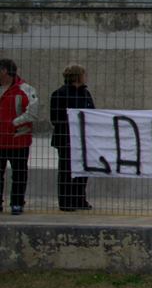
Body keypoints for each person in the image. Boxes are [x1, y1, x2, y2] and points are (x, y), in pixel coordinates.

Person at [50, 64, 96, 211]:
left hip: (83, 139)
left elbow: (92, 113)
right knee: (66, 170)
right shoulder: (59, 94)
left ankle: (79, 199)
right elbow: (55, 118)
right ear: (77, 76)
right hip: (66, 139)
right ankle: (65, 202)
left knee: (82, 170)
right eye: (83, 74)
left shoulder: (85, 94)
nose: (85, 77)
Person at [0, 59, 39, 215]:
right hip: (0, 141)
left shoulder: (26, 89)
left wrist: (13, 123)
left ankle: (17, 203)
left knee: (19, 174)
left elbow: (32, 114)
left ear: (4, 71)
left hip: (18, 141)